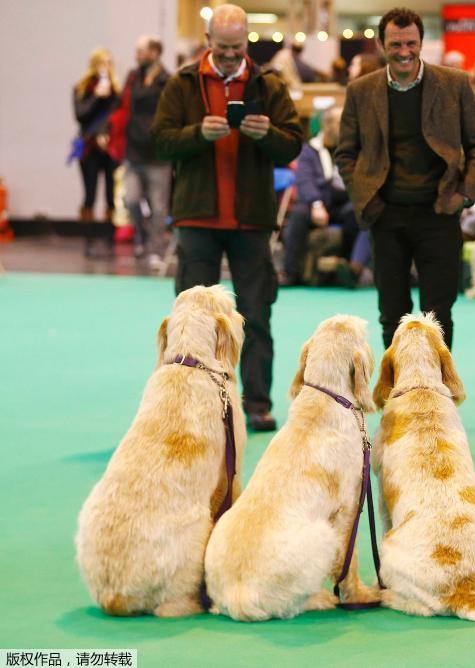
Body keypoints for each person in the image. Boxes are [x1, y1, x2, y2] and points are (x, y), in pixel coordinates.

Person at [151, 4, 303, 431]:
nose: (232, 54)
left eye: (239, 47)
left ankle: (257, 405)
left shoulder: (269, 84)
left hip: (251, 220)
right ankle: (189, 404)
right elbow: (161, 143)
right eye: (224, 47)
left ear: (247, 41)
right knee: (191, 321)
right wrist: (198, 134)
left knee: (256, 316)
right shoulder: (181, 84)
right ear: (208, 42)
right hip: (197, 219)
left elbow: (293, 143)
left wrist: (265, 134)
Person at [335, 7, 475, 349]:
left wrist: (464, 194)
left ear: (422, 42)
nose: (404, 52)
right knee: (392, 314)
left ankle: (437, 393)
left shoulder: (455, 83)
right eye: (395, 44)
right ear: (380, 44)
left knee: (437, 316)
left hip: (439, 213)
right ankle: (397, 394)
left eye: (411, 43)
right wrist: (366, 198)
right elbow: (345, 154)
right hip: (385, 215)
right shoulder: (360, 91)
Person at [279, 106, 358, 286]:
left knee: (357, 213)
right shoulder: (309, 150)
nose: (346, 126)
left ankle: (347, 269)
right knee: (298, 214)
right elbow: (305, 180)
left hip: (344, 203)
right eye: (340, 122)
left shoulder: (352, 148)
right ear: (327, 124)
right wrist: (316, 204)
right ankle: (290, 272)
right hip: (317, 202)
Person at [122, 35, 172, 270]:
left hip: (158, 155)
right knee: (130, 199)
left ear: (154, 53)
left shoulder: (167, 80)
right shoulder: (133, 78)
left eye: (140, 50)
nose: (136, 55)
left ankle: (155, 250)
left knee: (158, 206)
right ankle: (140, 238)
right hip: (133, 151)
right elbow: (121, 106)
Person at [73, 47, 119, 255]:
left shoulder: (117, 91)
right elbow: (81, 115)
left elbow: (120, 117)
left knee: (111, 196)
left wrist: (107, 134)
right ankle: (88, 241)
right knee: (89, 195)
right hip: (89, 149)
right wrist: (97, 97)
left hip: (110, 148)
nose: (105, 67)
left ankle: (110, 241)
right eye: (101, 62)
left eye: (109, 62)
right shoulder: (81, 89)